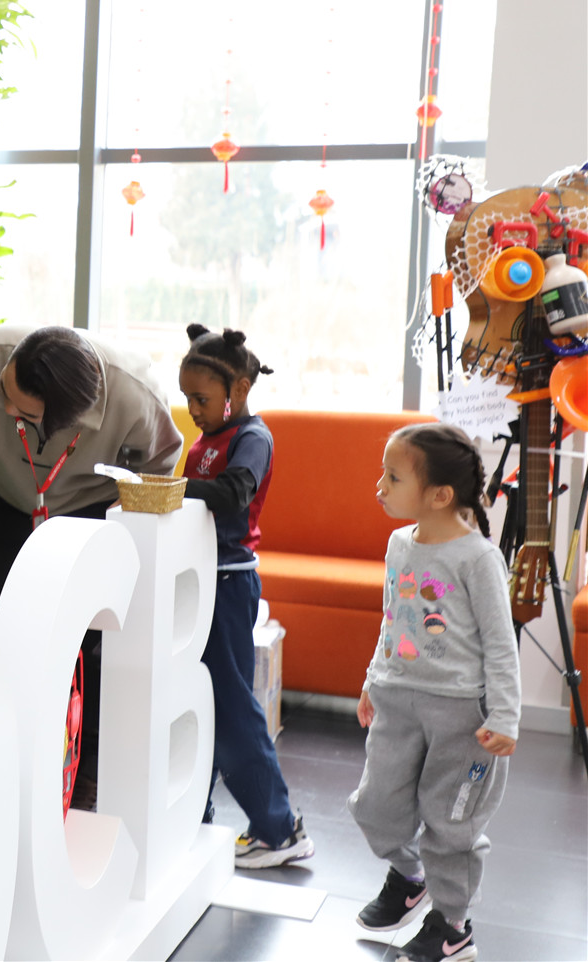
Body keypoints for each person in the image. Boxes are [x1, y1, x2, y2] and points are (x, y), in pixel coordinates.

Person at [350, 422, 520, 962]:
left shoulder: (477, 559)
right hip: (398, 700)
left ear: (440, 495)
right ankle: (409, 876)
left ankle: (452, 925)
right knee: (376, 806)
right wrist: (371, 680)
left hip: (462, 717)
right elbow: (392, 620)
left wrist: (506, 718)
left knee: (452, 823)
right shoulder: (399, 544)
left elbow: (501, 644)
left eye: (392, 477)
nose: (379, 485)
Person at [0, 323, 181, 624]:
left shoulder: (136, 395)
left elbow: (157, 465)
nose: (7, 409)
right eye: (5, 391)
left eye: (26, 413)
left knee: (85, 627)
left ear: (70, 418)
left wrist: (125, 514)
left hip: (88, 512)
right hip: (2, 498)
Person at [177, 324, 314, 869]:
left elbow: (234, 496)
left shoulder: (251, 437)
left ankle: (279, 830)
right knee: (201, 698)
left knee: (232, 706)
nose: (192, 409)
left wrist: (172, 490)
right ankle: (194, 814)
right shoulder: (207, 439)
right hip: (199, 582)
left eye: (202, 399)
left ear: (237, 390)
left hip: (229, 583)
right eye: (187, 398)